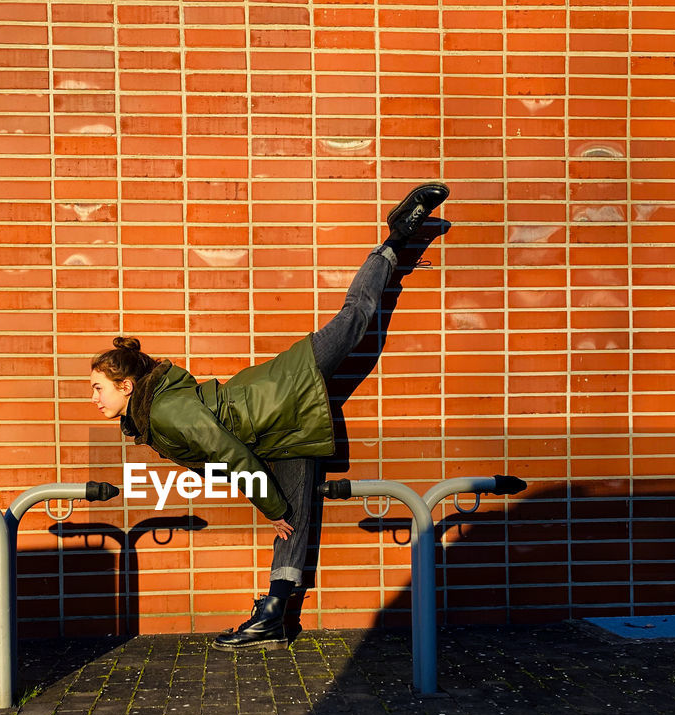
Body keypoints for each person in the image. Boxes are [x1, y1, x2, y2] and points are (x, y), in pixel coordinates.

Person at [89, 182, 450, 649]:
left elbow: (226, 451)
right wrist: (275, 507)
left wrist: (269, 505)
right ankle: (275, 614)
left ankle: (393, 240)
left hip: (284, 392)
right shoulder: (151, 412)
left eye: (98, 388)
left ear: (126, 385)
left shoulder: (165, 410)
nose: (94, 399)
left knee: (353, 319)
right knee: (293, 522)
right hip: (281, 433)